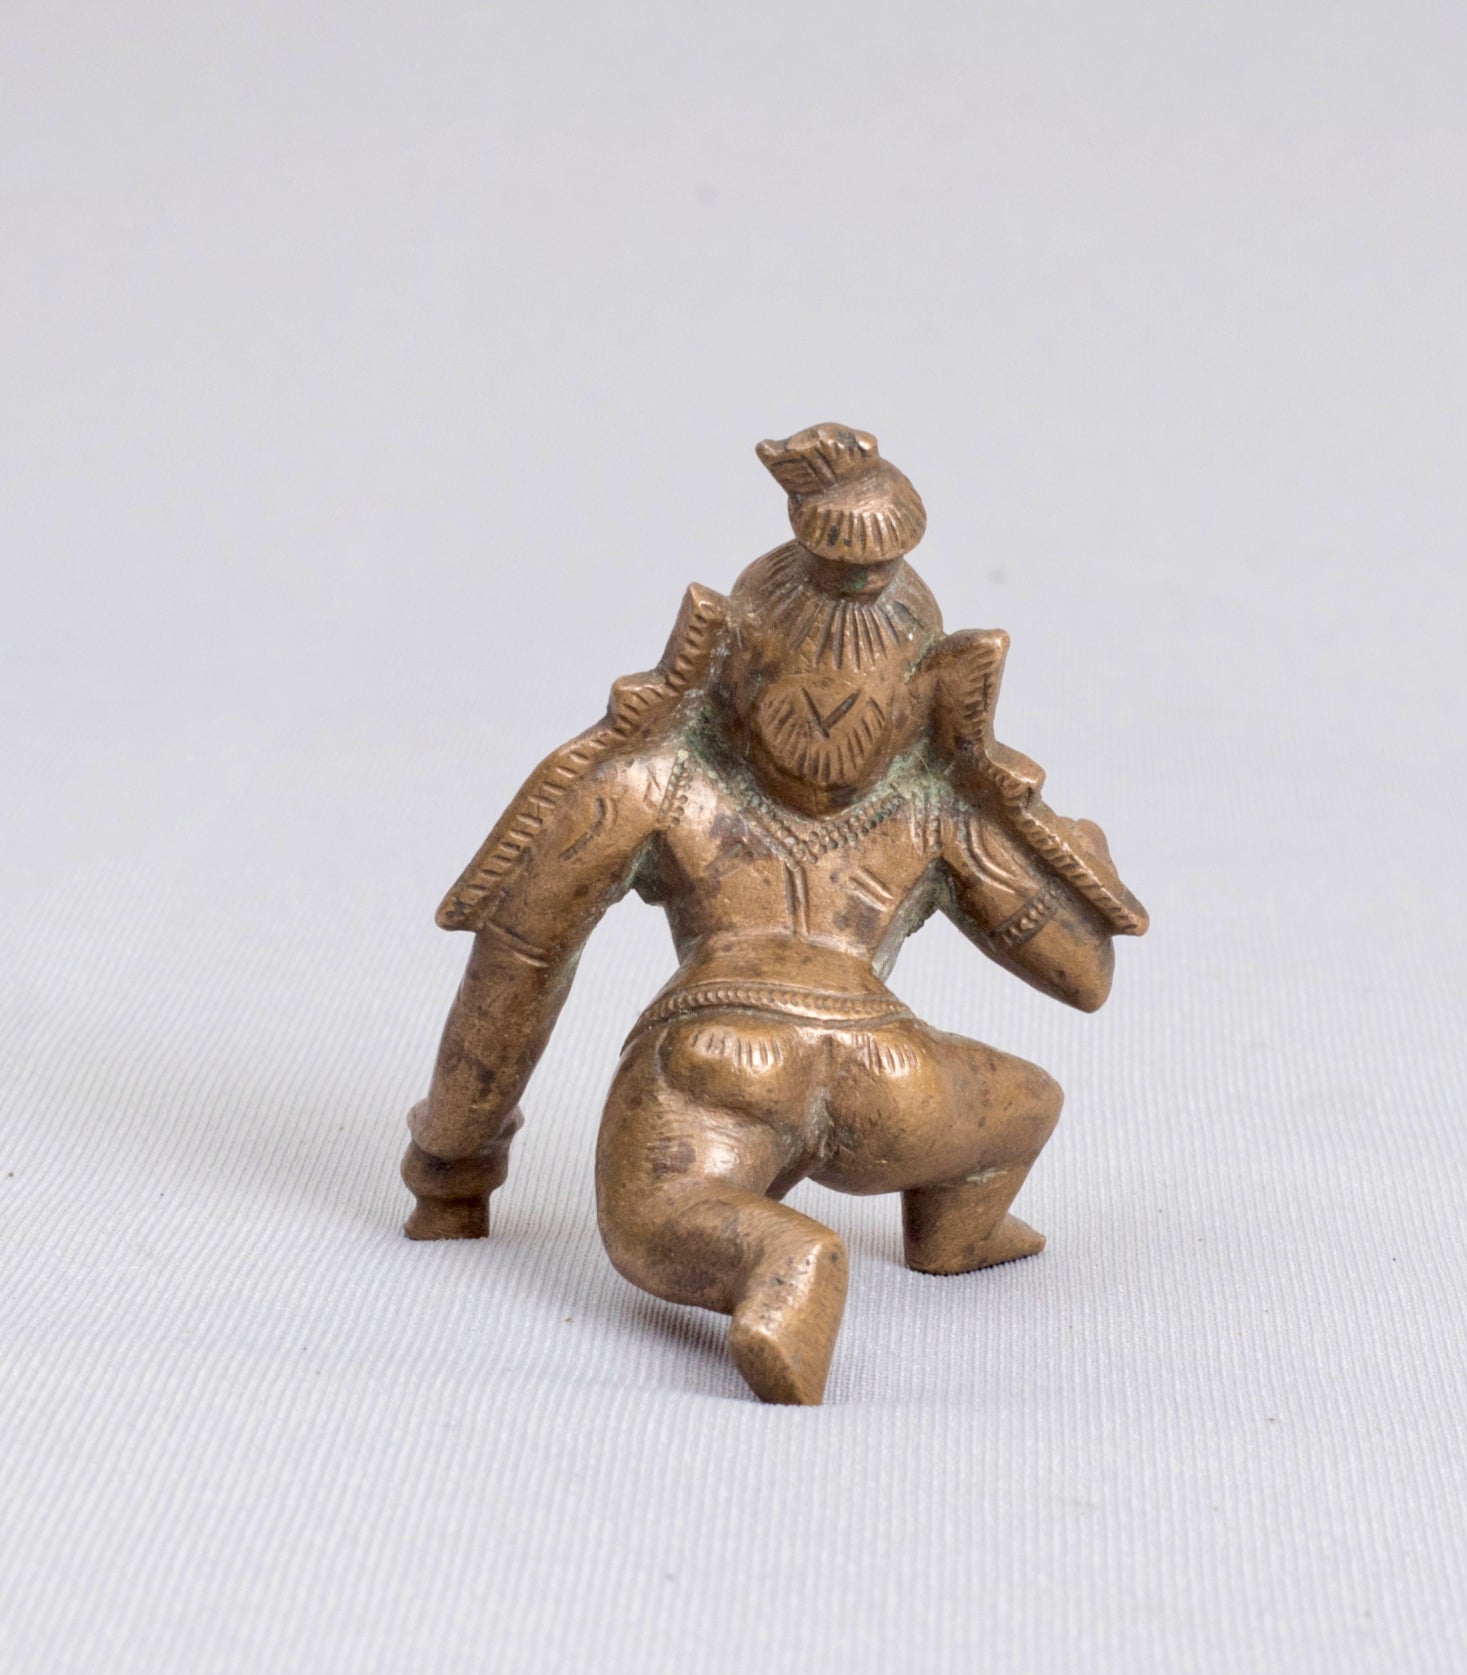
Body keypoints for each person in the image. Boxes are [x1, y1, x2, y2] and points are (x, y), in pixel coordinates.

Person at [400, 423, 1148, 1404]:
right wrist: (1059, 848)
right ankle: (957, 1232)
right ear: (933, 688)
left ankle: (777, 1259)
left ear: (729, 661)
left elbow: (518, 971)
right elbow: (1084, 979)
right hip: (892, 1077)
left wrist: (452, 1164)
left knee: (660, 1222)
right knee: (1027, 1103)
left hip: (715, 1055)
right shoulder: (938, 810)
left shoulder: (652, 783)